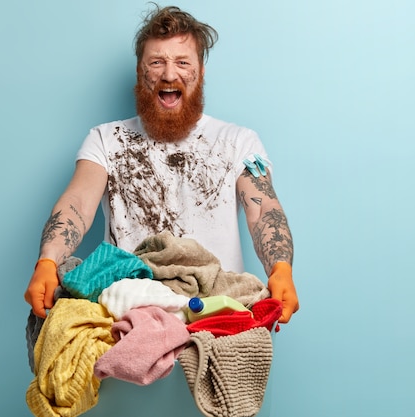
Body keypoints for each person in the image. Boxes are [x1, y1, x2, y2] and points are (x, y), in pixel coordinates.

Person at [24, 4, 299, 325]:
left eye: (182, 62)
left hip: (217, 310)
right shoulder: (105, 139)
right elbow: (77, 203)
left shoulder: (240, 141)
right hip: (126, 313)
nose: (169, 74)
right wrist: (47, 261)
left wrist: (280, 268)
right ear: (141, 71)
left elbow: (263, 208)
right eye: (157, 62)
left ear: (201, 70)